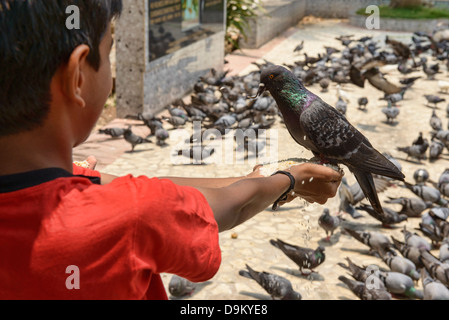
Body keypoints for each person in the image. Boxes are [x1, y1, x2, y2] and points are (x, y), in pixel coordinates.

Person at [0, 0, 343, 300]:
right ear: (77, 77)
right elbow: (229, 208)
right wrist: (289, 179)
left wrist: (251, 178)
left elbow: (143, 188)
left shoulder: (70, 180)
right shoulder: (127, 217)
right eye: (110, 53)